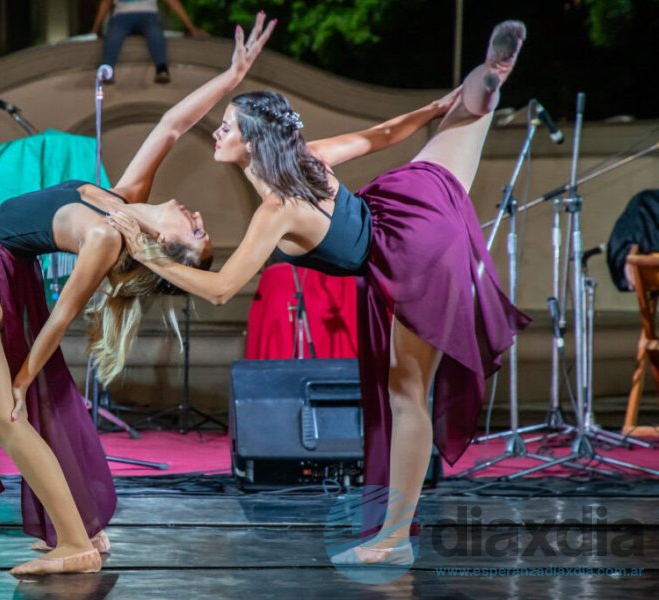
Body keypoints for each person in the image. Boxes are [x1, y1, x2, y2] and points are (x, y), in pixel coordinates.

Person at [109, 20, 530, 567]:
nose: (218, 132)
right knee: (466, 117)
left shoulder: (278, 208)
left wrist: (145, 253)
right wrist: (434, 111)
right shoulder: (306, 160)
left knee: (406, 397)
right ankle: (489, 79)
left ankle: (393, 539)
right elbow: (380, 136)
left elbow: (219, 290)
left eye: (229, 126)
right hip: (412, 199)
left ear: (255, 141)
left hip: (407, 252)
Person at [0, 15, 274, 577]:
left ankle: (75, 544)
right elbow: (169, 125)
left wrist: (21, 380)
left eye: (197, 235)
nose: (197, 218)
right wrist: (230, 79)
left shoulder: (106, 235)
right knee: (15, 416)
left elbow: (64, 313)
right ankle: (80, 530)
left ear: (166, 247)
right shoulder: (123, 200)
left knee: (4, 416)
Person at [92, 0, 208, 84]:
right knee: (114, 34)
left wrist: (191, 28)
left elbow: (173, 2)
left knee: (155, 32)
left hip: (148, 13)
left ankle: (161, 68)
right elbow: (106, 3)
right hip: (122, 15)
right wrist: (95, 30)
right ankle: (107, 68)